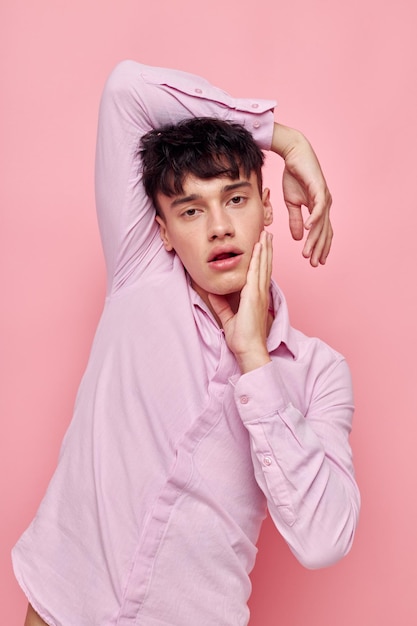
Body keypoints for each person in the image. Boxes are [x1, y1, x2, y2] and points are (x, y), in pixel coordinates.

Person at [13, 60, 360, 626]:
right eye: (191, 211)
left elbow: (325, 539)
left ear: (267, 208)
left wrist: (255, 363)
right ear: (163, 231)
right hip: (60, 608)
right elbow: (127, 88)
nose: (218, 227)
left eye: (236, 200)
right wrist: (285, 139)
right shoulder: (140, 272)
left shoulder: (319, 373)